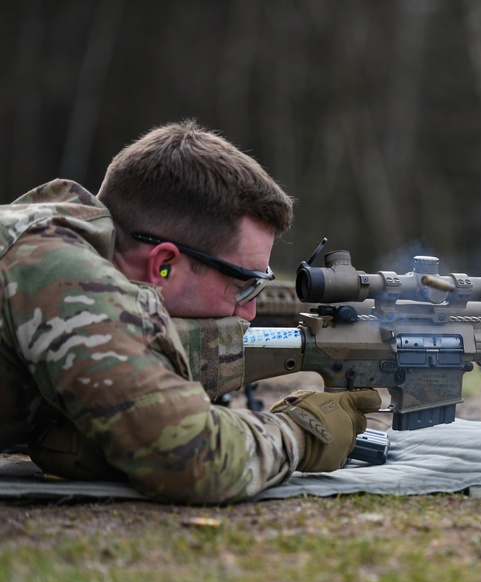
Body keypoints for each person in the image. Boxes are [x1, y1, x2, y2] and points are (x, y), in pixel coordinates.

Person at [0, 120, 381, 503]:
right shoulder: (63, 275)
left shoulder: (49, 241)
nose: (248, 312)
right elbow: (196, 461)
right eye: (244, 284)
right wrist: (302, 433)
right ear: (163, 264)